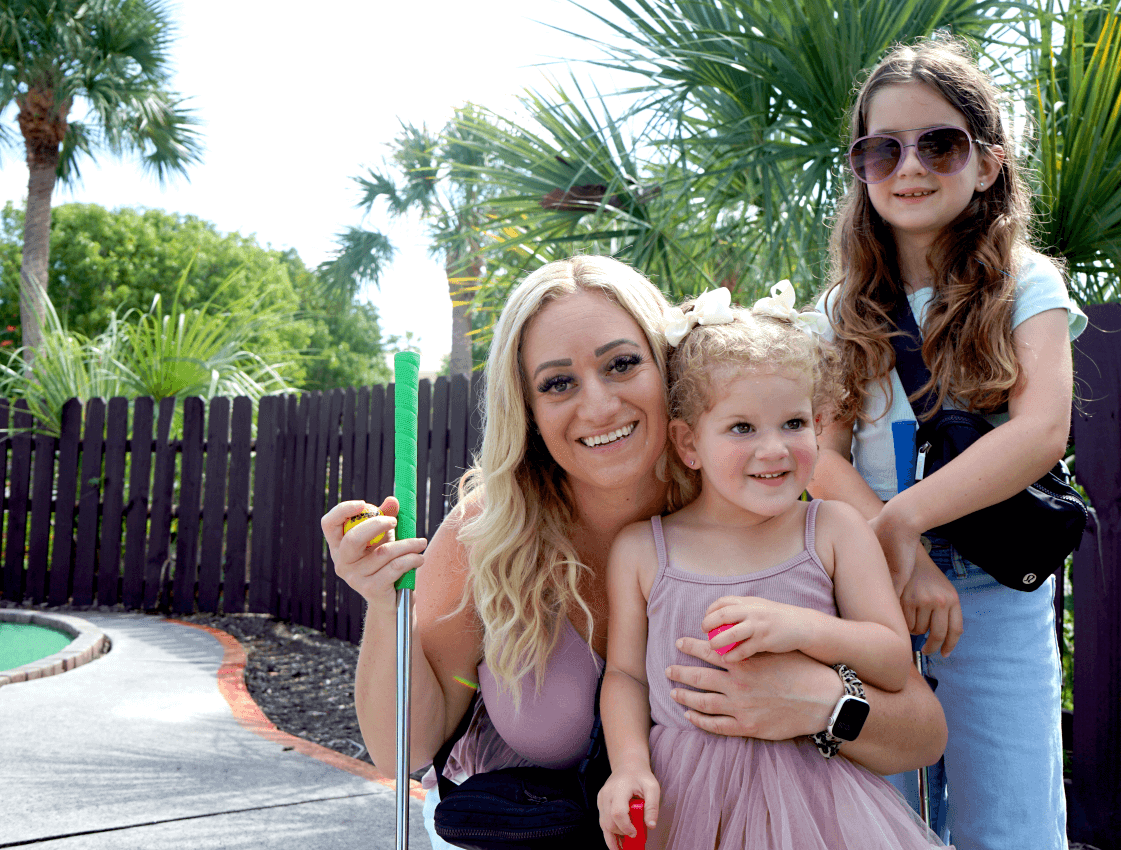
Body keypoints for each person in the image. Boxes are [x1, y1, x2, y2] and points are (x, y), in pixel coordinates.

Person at [320, 255, 948, 849]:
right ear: (529, 409)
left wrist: (819, 703)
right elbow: (405, 746)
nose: (598, 404)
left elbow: (920, 729)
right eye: (558, 383)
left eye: (621, 364)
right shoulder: (490, 534)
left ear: (666, 368)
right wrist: (381, 603)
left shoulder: (765, 485)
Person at [808, 38, 1088, 850]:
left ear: (989, 161)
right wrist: (897, 551)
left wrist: (904, 523)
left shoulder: (1024, 283)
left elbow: (1041, 432)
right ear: (860, 168)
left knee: (1012, 821)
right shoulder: (840, 312)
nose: (910, 165)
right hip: (869, 589)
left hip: (993, 585)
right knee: (875, 818)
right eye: (881, 148)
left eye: (939, 143)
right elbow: (822, 458)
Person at [597, 290, 950, 850]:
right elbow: (625, 677)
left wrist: (802, 627)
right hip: (689, 802)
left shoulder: (832, 531)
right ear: (689, 442)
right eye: (742, 428)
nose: (775, 450)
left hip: (816, 803)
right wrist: (628, 767)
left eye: (793, 422)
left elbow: (889, 657)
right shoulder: (643, 550)